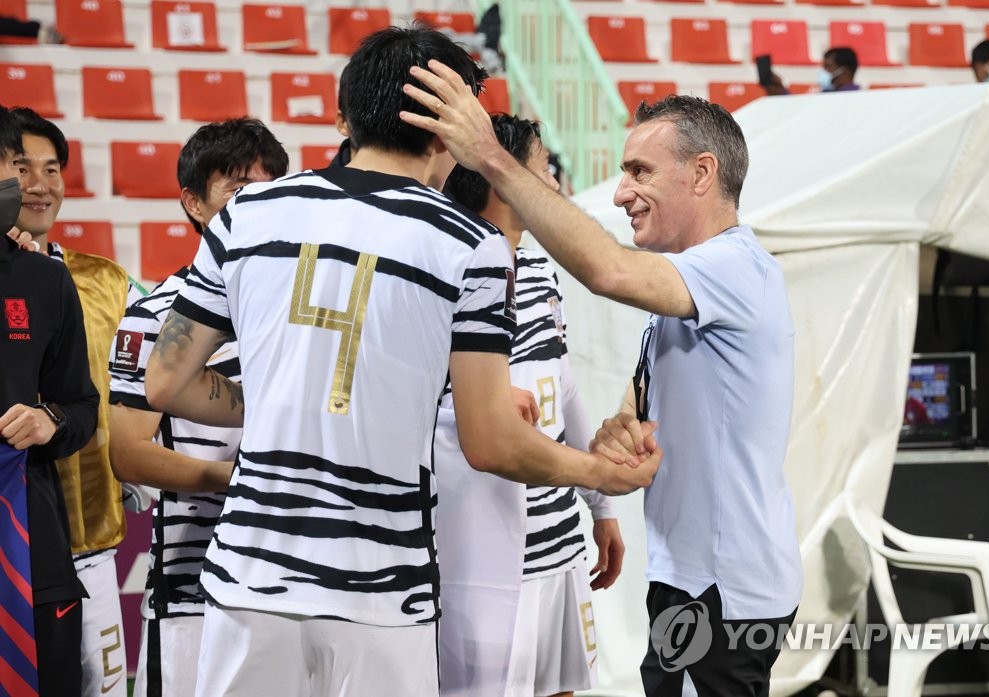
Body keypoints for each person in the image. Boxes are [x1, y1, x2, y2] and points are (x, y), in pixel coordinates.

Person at [142, 26, 659, 697]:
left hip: (248, 580)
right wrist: (600, 474)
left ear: (343, 116)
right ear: (451, 129)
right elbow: (492, 440)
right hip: (381, 592)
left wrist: (273, 403)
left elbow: (164, 379)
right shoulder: (469, 244)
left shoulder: (248, 212)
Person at [402, 65, 802, 697]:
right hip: (695, 579)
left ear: (702, 173)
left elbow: (607, 271)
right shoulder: (694, 276)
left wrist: (493, 159)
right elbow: (647, 397)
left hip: (720, 589)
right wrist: (624, 425)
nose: (620, 193)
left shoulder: (733, 267)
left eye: (639, 172)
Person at [440, 114, 624, 697]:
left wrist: (600, 505)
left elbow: (561, 381)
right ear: (502, 178)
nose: (553, 182)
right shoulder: (444, 265)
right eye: (544, 168)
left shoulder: (543, 267)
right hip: (477, 552)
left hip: (557, 538)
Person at [107, 118, 288, 697]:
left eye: (271, 188)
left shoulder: (302, 310)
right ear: (193, 203)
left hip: (296, 583)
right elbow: (129, 455)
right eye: (239, 190)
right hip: (193, 587)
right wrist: (241, 482)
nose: (258, 205)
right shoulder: (154, 315)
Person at [12, 107, 145, 697]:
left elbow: (125, 393)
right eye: (21, 167)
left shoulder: (108, 280)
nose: (39, 184)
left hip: (92, 540)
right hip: (15, 539)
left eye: (51, 168)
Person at [0, 102, 97, 697]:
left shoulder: (45, 279)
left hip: (31, 546)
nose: (28, 184)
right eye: (17, 165)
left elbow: (81, 405)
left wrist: (47, 421)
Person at [766, 47, 860, 95]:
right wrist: (781, 90)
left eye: (828, 67)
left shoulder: (855, 97)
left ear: (845, 72)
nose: (823, 71)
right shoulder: (827, 93)